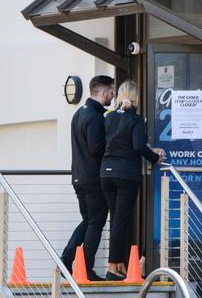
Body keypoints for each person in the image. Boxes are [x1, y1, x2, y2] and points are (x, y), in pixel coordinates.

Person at [100, 80, 165, 280]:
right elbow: (138, 145)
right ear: (137, 97)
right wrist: (155, 157)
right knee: (120, 219)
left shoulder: (108, 117)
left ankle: (117, 264)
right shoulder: (135, 119)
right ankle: (112, 268)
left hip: (106, 173)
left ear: (119, 96)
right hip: (125, 174)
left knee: (116, 219)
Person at [60, 75, 115, 281]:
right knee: (96, 222)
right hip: (93, 179)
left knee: (89, 220)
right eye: (111, 92)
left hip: (79, 177)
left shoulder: (79, 113)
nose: (112, 96)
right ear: (102, 92)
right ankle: (87, 270)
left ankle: (66, 259)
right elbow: (97, 148)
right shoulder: (95, 116)